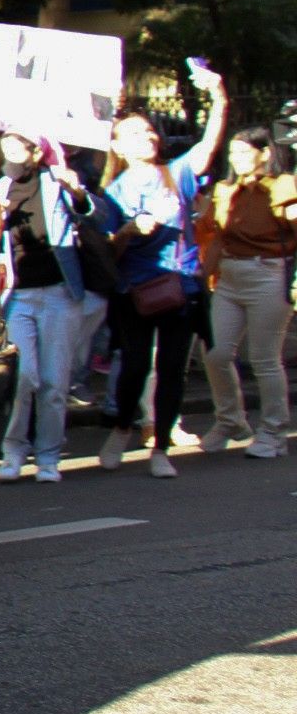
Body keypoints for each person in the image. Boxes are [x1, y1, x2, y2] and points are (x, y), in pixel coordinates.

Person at [98, 69, 229, 478]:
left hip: (181, 288)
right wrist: (128, 230)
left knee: (173, 369)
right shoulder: (112, 193)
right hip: (135, 292)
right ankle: (123, 426)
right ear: (118, 145)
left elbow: (209, 146)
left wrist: (220, 96)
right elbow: (107, 251)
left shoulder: (178, 173)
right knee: (135, 365)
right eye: (136, 133)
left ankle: (160, 448)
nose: (148, 137)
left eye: (150, 131)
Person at [0, 131, 116, 483]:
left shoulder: (56, 181)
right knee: (23, 377)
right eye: (5, 145)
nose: (9, 152)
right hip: (18, 296)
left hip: (60, 294)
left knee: (54, 382)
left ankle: (48, 457)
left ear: (35, 152)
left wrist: (77, 192)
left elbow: (99, 216)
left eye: (16, 146)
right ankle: (13, 451)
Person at [198, 125, 296, 459]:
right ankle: (230, 421)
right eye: (232, 153)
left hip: (268, 274)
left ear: (264, 153)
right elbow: (218, 238)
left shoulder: (282, 185)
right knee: (215, 352)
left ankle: (273, 432)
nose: (236, 159)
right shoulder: (225, 190)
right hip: (230, 276)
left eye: (243, 152)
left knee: (264, 358)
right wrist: (202, 279)